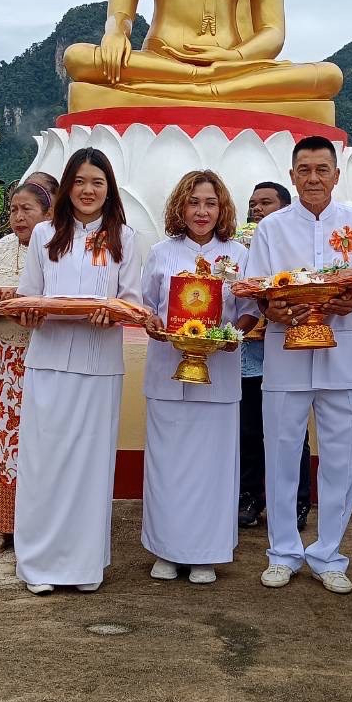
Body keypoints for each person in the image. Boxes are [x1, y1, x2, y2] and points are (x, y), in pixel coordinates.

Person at [239, 136, 352, 594]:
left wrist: (349, 300)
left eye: (322, 169)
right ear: (293, 175)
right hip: (285, 355)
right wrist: (272, 311)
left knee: (340, 461)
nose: (314, 178)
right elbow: (259, 290)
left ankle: (329, 554)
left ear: (337, 175)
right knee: (281, 455)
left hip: (342, 355)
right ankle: (282, 551)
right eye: (305, 169)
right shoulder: (272, 228)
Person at [12, 149, 141, 596]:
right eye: (81, 181)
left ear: (110, 189)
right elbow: (30, 298)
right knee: (43, 462)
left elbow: (132, 300)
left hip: (99, 365)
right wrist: (30, 315)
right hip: (47, 363)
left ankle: (85, 565)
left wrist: (116, 314)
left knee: (90, 465)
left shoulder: (125, 238)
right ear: (67, 186)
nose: (88, 191)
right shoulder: (45, 234)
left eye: (98, 182)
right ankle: (38, 565)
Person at [141, 170, 248, 584]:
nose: (202, 211)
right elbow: (147, 306)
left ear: (222, 209)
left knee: (212, 466)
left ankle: (206, 553)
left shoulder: (238, 255)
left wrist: (238, 334)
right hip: (167, 373)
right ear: (179, 207)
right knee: (166, 464)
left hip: (218, 375)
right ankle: (166, 550)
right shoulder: (161, 253)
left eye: (210, 203)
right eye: (194, 202)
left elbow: (248, 310)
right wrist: (152, 323)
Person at [0, 178, 56, 555]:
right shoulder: (1, 249)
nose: (18, 218)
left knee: (44, 443)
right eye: (13, 210)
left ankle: (41, 529)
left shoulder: (61, 249)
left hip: (49, 358)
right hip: (8, 360)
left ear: (49, 213)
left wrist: (23, 300)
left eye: (28, 210)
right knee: (6, 446)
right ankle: (4, 525)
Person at [238, 181, 311, 530]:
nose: (257, 209)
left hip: (288, 346)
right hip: (249, 350)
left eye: (266, 202)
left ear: (284, 208)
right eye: (253, 203)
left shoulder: (292, 245)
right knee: (250, 428)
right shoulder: (238, 248)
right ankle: (250, 497)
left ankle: (298, 502)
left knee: (291, 430)